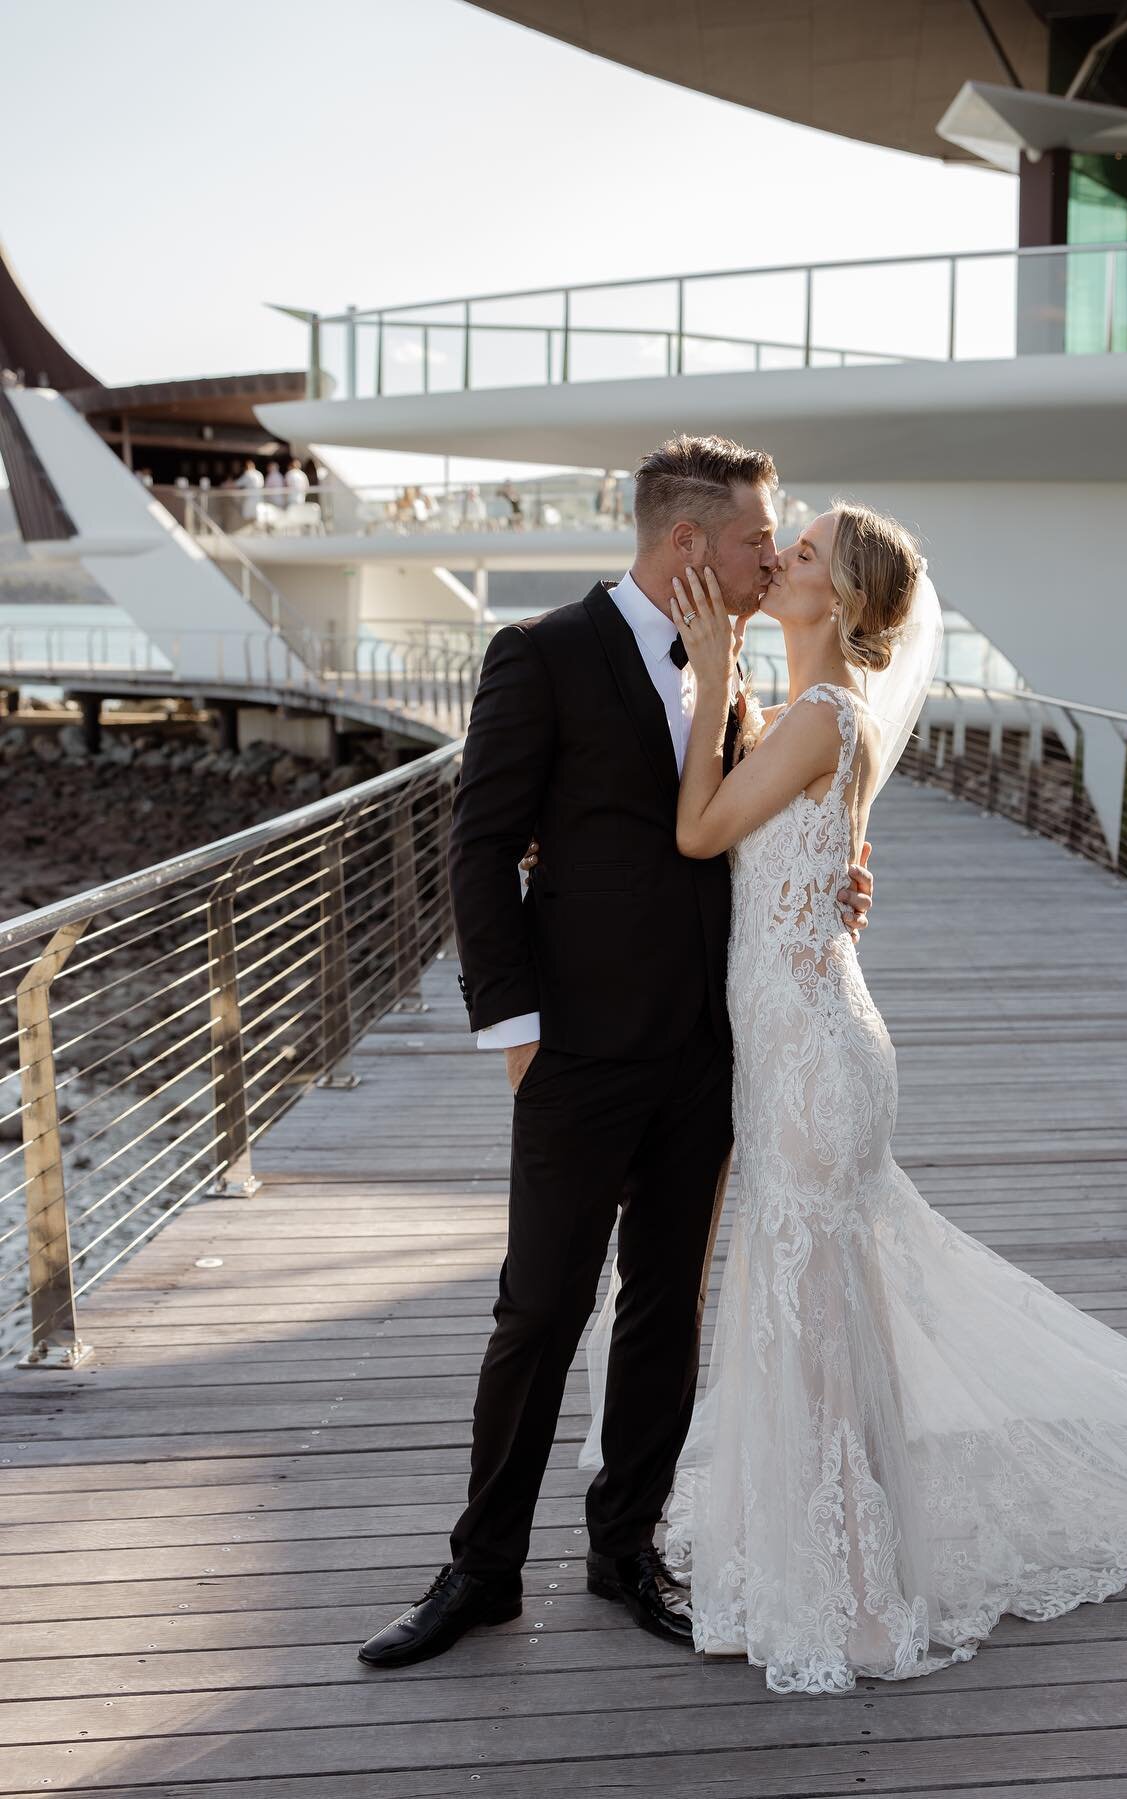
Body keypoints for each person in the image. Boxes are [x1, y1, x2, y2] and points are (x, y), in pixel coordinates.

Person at [578, 502, 1127, 1697]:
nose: (783, 559)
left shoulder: (822, 716)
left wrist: (718, 663)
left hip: (814, 1061)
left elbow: (697, 828)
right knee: (827, 1317)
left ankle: (855, 1591)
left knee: (812, 1320)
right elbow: (805, 870)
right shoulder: (809, 718)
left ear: (845, 603)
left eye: (809, 554)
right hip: (806, 1044)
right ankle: (842, 1550)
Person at [356, 434, 876, 1670]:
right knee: (538, 1309)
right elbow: (479, 852)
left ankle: (625, 1545)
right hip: (577, 1055)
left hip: (711, 1050)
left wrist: (836, 879)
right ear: (688, 541)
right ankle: (480, 1570)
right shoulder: (540, 655)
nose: (772, 552)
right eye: (759, 536)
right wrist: (517, 1034)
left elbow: (748, 826)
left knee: (664, 1308)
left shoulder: (734, 667)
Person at [234, 458, 263, 525]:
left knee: (250, 515)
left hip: (251, 498)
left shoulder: (248, 474)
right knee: (256, 515)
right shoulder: (259, 474)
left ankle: (253, 530)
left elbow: (237, 484)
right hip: (258, 497)